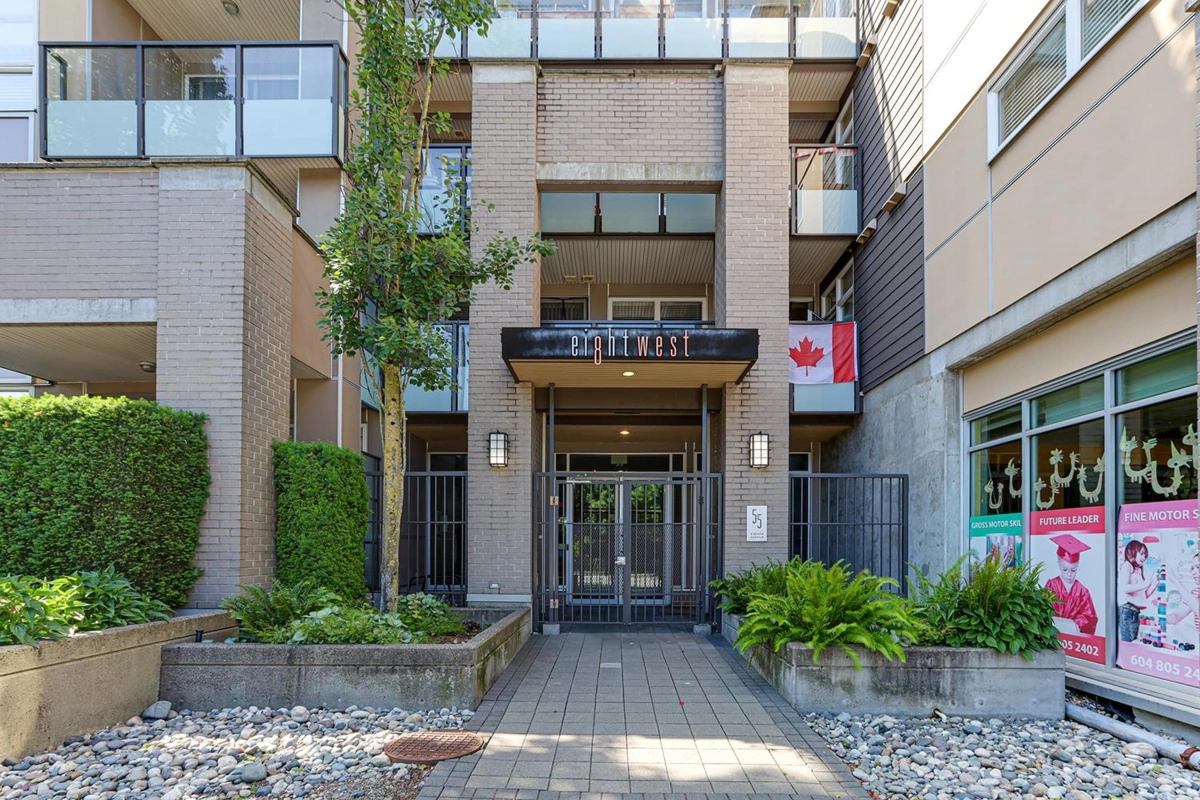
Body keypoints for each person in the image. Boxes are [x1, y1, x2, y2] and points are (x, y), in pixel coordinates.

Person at [1044, 533, 1098, 636]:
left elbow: (1090, 618)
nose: (1069, 574)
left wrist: (1075, 624)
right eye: (1065, 569)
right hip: (1052, 634)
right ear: (1059, 564)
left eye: (1073, 570)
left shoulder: (1082, 591)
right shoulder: (1052, 585)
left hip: (1073, 637)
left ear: (1078, 566)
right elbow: (1042, 608)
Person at [1119, 540, 1156, 608]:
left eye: (1145, 556)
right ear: (1132, 552)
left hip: (1135, 610)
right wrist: (1145, 585)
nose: (1144, 558)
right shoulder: (1127, 565)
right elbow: (1124, 588)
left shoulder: (1138, 570)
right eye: (1141, 554)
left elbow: (1142, 596)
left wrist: (1154, 584)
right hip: (1127, 608)